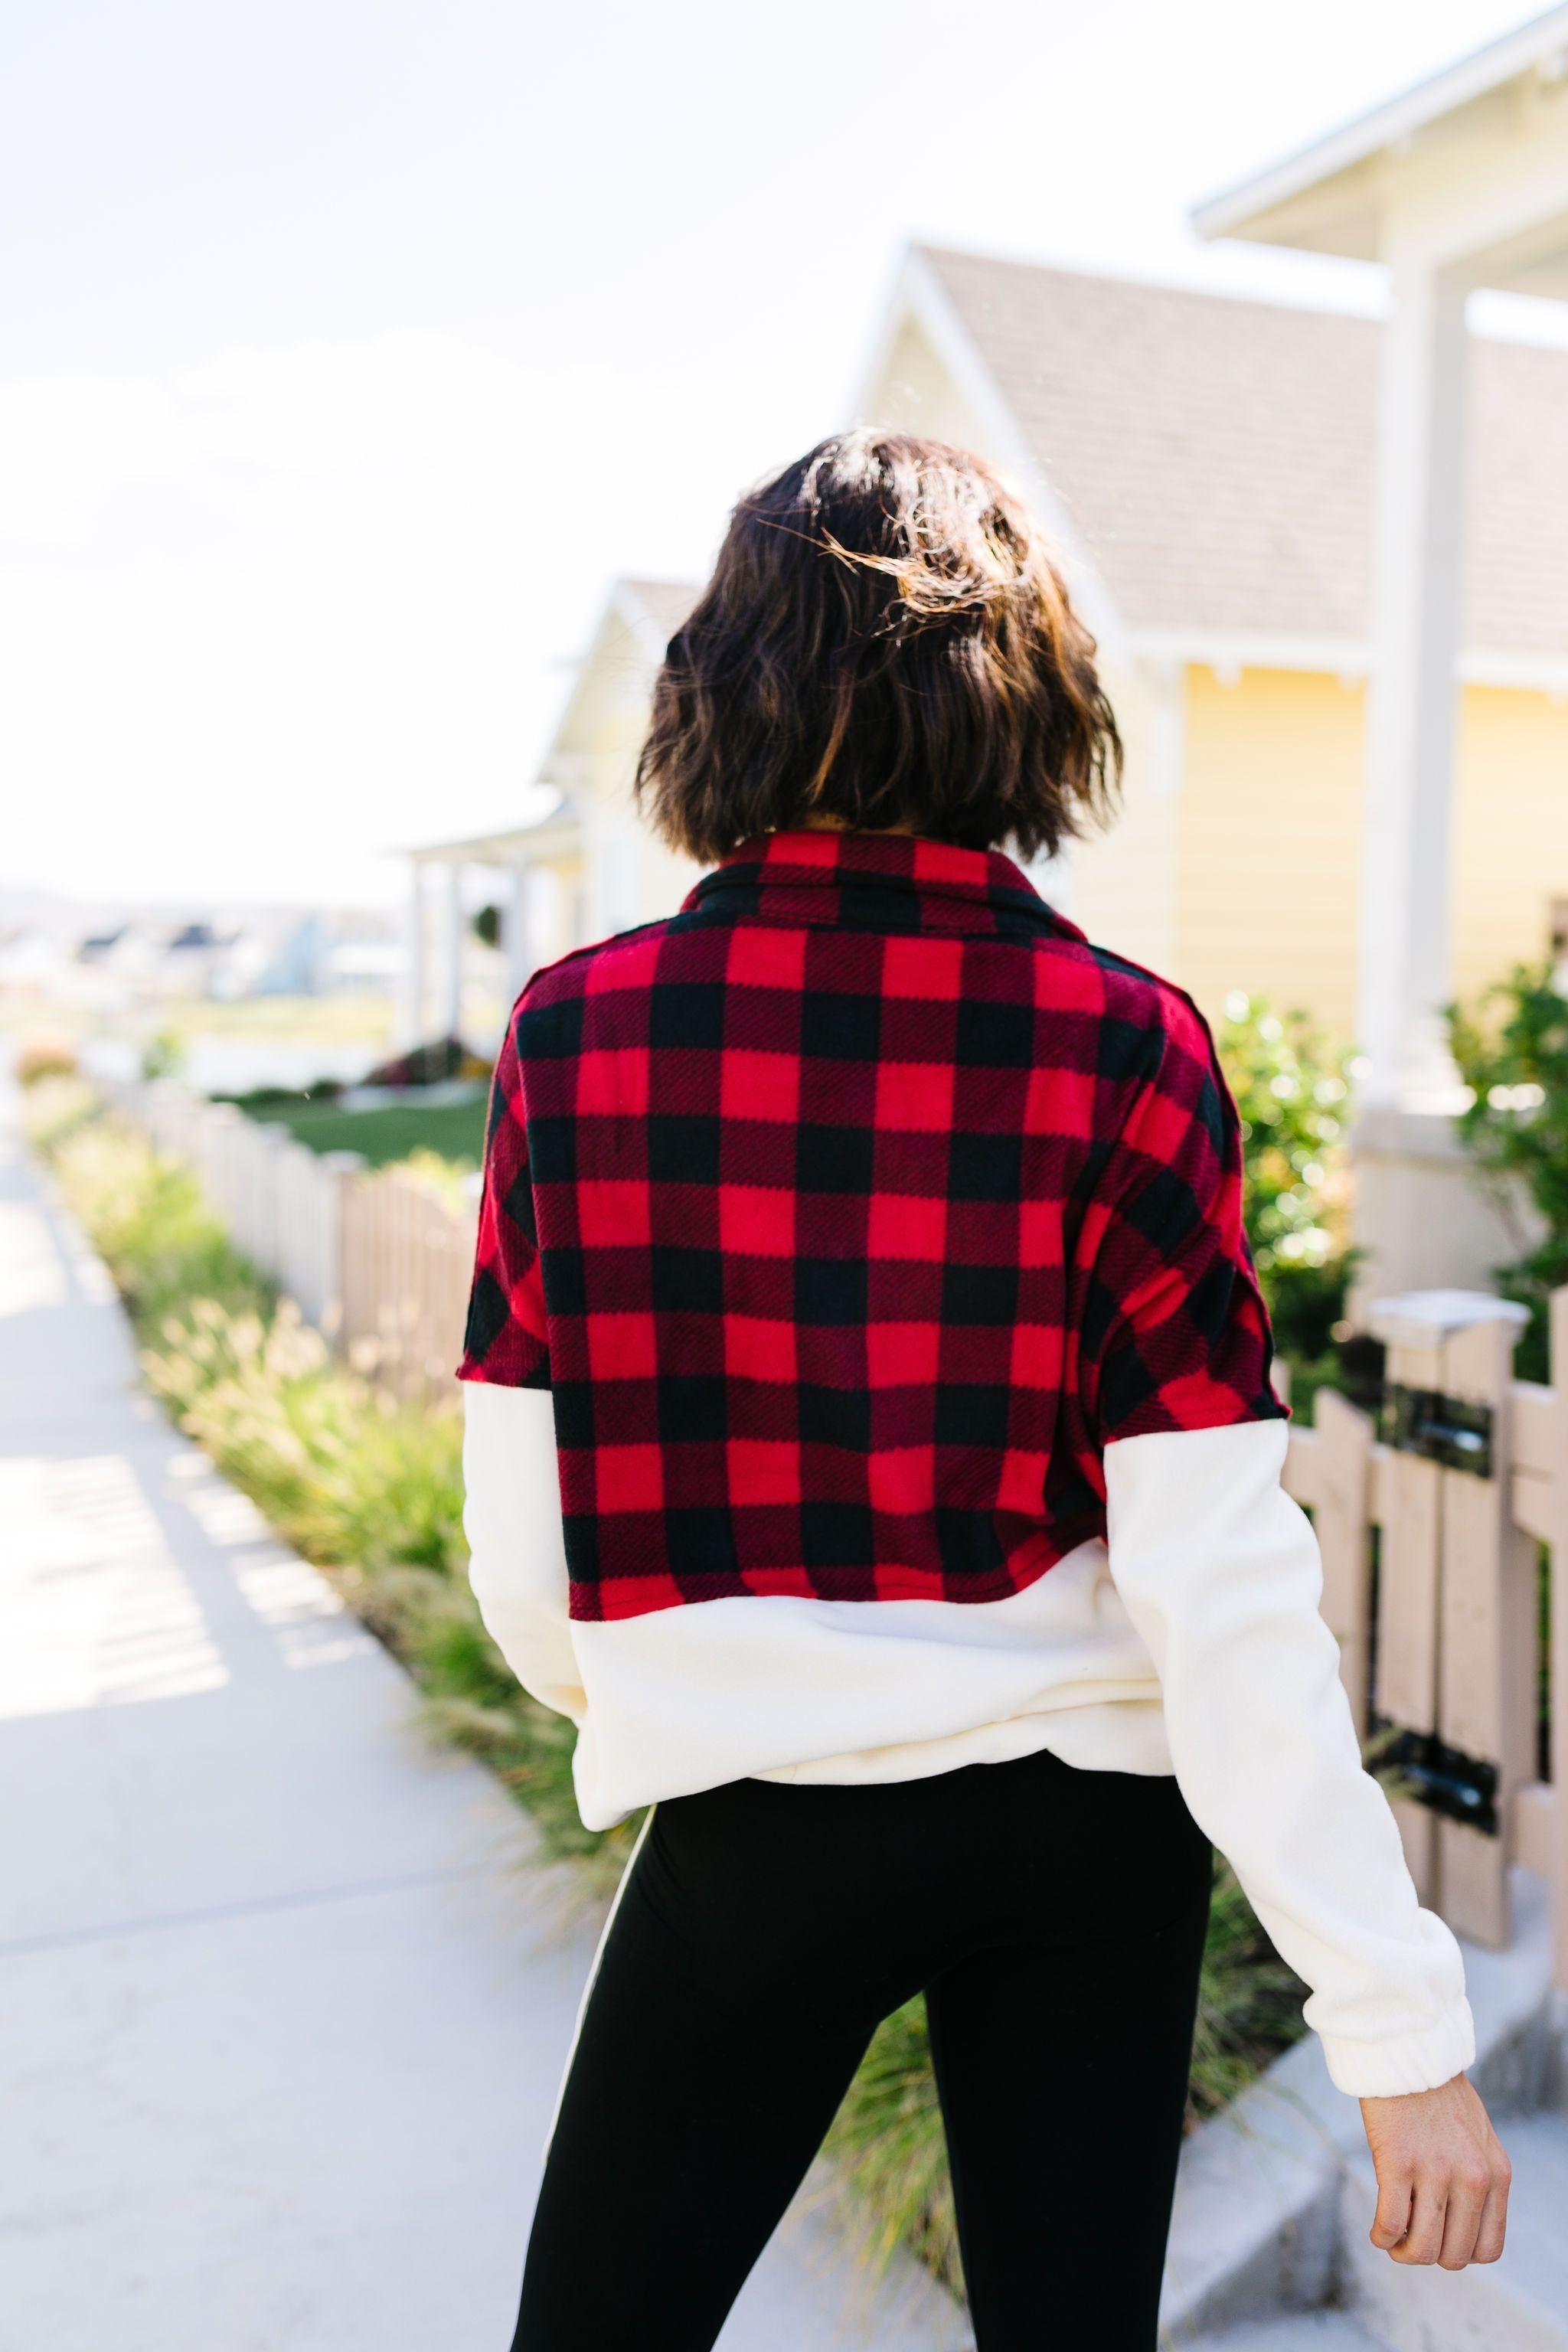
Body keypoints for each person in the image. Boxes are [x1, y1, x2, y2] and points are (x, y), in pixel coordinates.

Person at [457, 430, 1510, 2352]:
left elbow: (523, 1553)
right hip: (1083, 1834)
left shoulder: (573, 1037)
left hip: (760, 1820)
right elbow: (1222, 1582)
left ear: (716, 699)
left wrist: (712, 1685)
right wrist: (1394, 2027)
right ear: (1028, 702)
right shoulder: (1132, 1046)